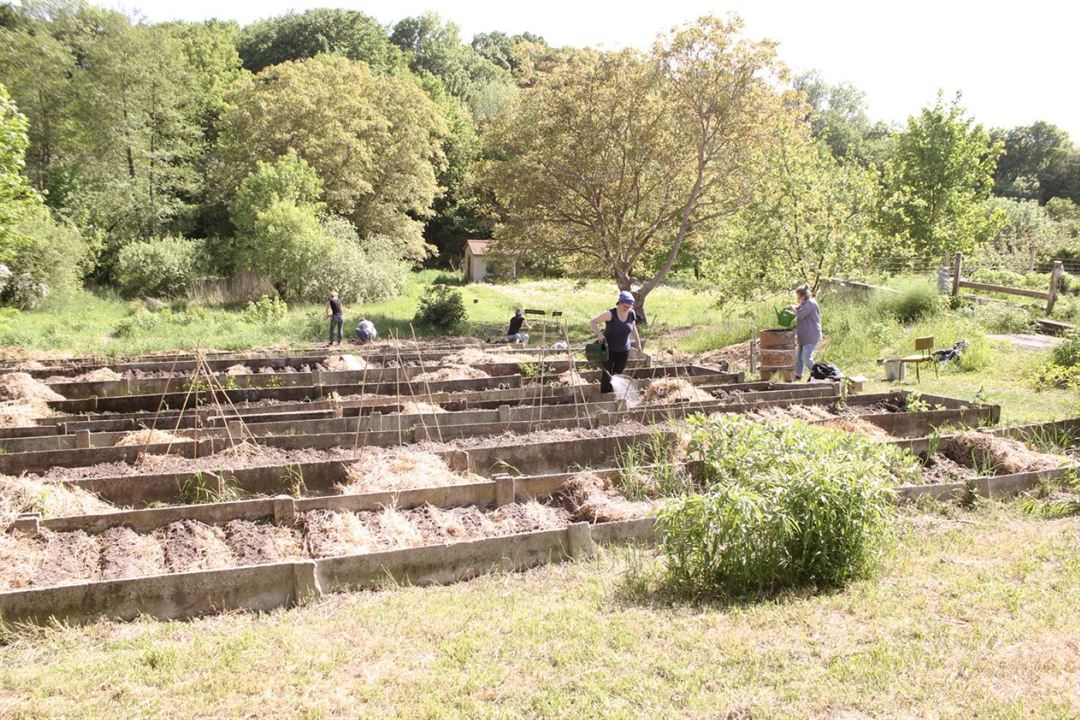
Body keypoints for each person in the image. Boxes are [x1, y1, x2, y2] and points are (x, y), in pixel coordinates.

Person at [589, 290, 643, 394]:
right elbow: (592, 322)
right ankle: (605, 395)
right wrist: (599, 334)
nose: (627, 309)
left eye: (629, 307)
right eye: (625, 307)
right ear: (620, 303)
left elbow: (633, 327)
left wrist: (638, 343)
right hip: (609, 349)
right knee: (607, 373)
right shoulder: (610, 314)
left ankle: (615, 394)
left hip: (623, 350)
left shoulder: (631, 314)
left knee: (618, 373)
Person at [788, 284, 821, 380]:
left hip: (811, 334)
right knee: (799, 358)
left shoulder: (811, 303)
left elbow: (800, 315)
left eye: (798, 296)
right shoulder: (805, 303)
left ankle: (819, 372)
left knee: (806, 358)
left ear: (803, 296)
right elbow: (800, 308)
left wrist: (793, 308)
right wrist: (796, 307)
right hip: (803, 335)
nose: (797, 298)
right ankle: (798, 375)